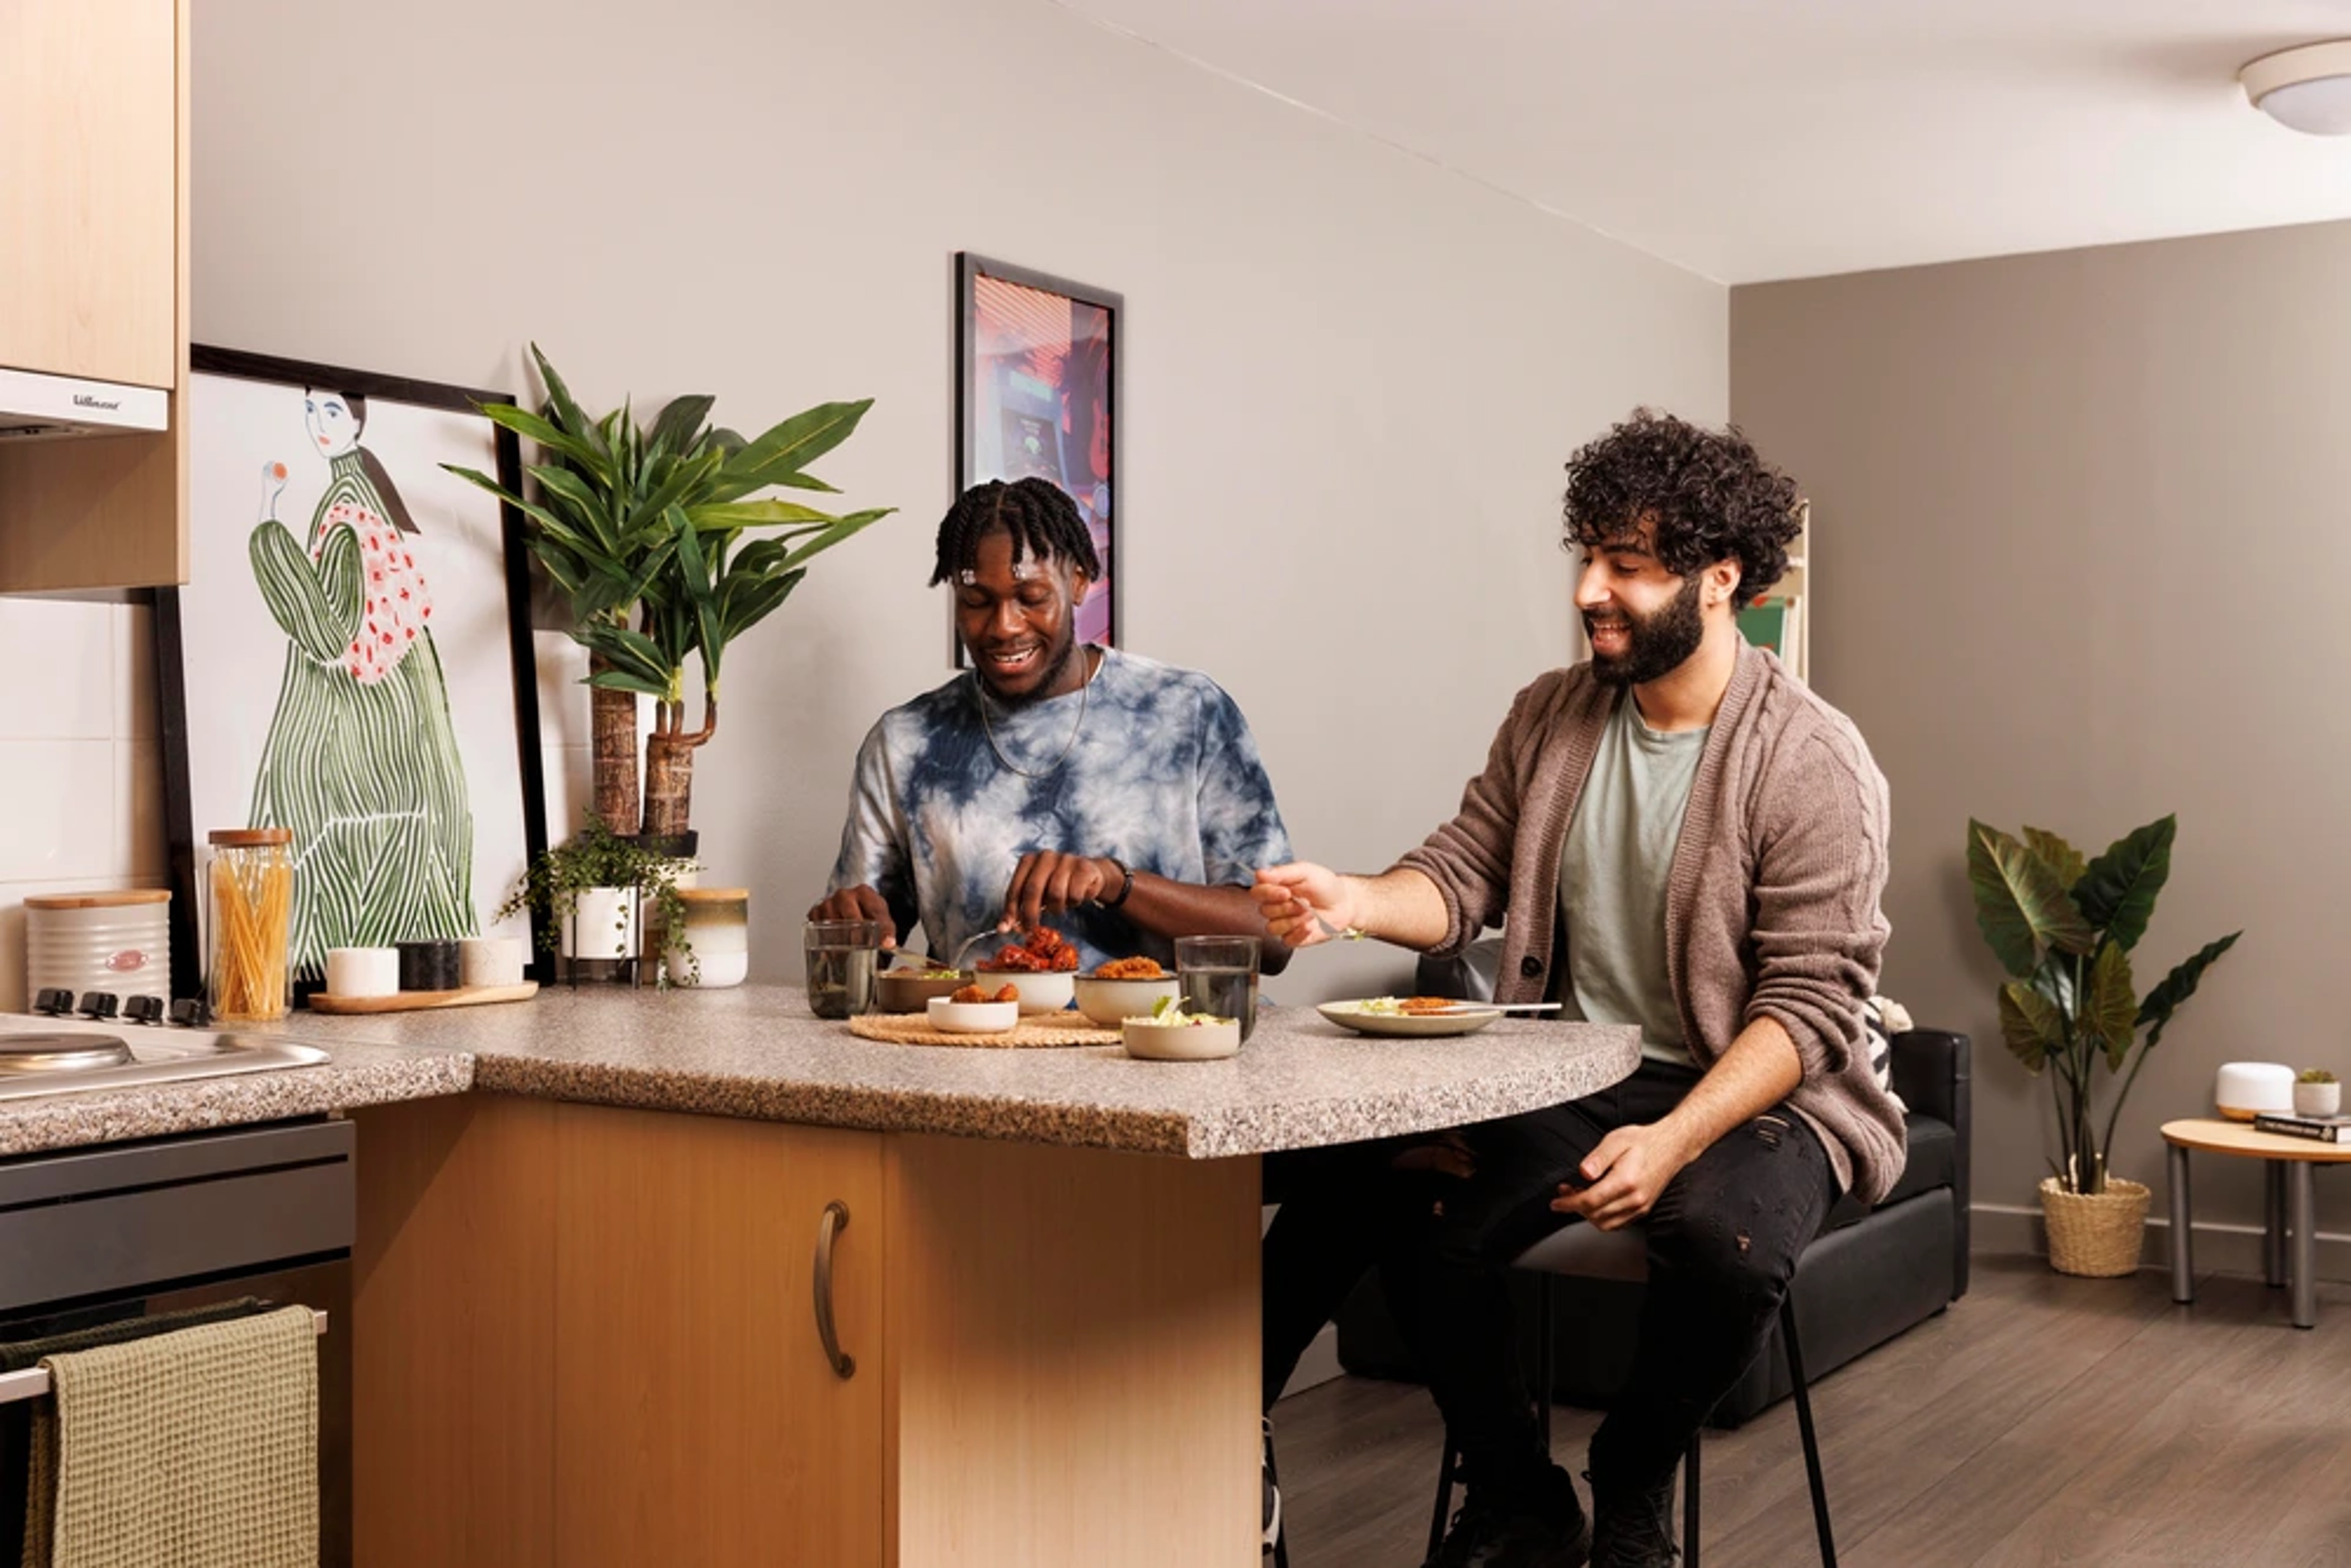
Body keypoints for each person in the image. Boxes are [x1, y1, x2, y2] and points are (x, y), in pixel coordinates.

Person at [1251, 411, 1902, 1568]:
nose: (1589, 591)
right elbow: (1462, 874)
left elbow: (1808, 1009)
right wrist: (1350, 898)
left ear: (1719, 577)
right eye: (1587, 557)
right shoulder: (1553, 714)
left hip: (1765, 1090)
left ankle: (1634, 1480)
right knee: (1408, 1197)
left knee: (1722, 1244)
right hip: (1579, 1069)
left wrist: (1673, 1140)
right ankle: (1519, 1497)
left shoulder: (1812, 758)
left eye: (1627, 566)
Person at [812, 476, 1291, 977]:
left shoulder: (1188, 712)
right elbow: (850, 965)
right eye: (977, 601)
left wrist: (1116, 882)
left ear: (1079, 581)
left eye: (1032, 597)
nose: (1004, 625)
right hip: (974, 1024)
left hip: (1166, 1023)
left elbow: (1276, 936)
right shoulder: (906, 743)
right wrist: (845, 930)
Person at [249, 388, 476, 985]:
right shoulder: (362, 495)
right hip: (402, 713)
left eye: (330, 411)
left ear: (357, 421)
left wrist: (268, 525)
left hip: (358, 722)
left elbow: (328, 635)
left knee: (313, 808)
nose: (317, 424)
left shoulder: (346, 508)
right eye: (309, 410)